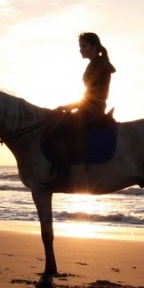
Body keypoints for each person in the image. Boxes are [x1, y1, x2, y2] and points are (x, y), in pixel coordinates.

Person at [47, 32, 116, 187]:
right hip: (91, 107)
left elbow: (90, 96)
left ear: (95, 46)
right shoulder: (97, 63)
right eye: (80, 46)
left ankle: (63, 177)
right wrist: (70, 106)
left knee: (55, 134)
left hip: (91, 111)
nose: (81, 50)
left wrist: (69, 106)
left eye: (84, 46)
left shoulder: (98, 64)